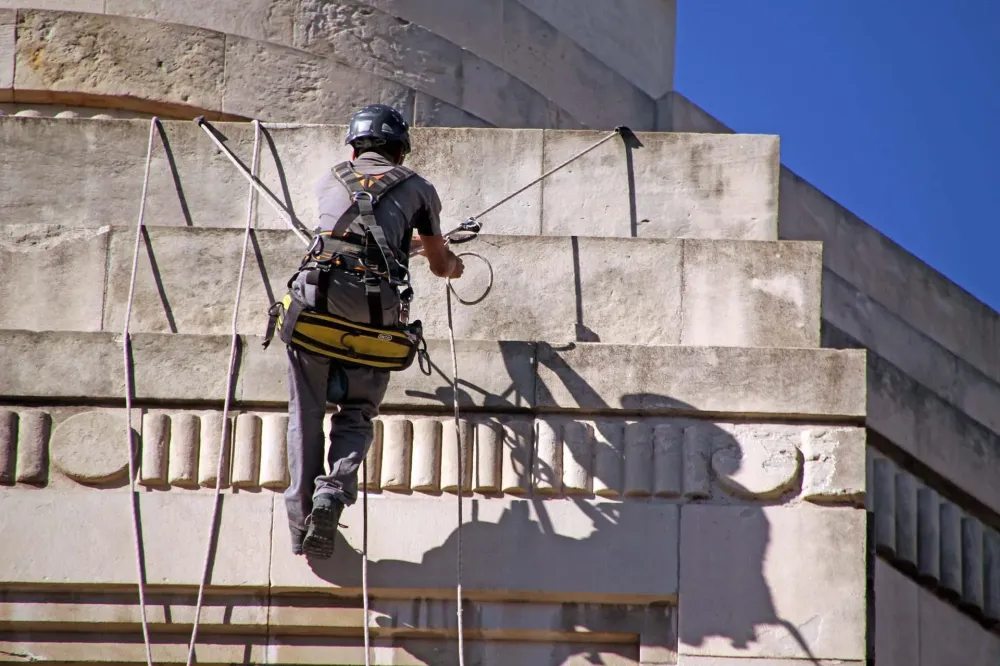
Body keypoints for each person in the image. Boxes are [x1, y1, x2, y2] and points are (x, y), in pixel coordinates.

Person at [283, 103, 464, 558]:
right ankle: (331, 493)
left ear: (354, 147)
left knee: (305, 414)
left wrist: (405, 246)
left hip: (314, 302)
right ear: (400, 150)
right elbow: (440, 265)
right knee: (357, 411)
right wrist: (450, 262)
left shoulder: (329, 179)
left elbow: (351, 232)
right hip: (373, 312)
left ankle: (299, 525)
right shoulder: (419, 188)